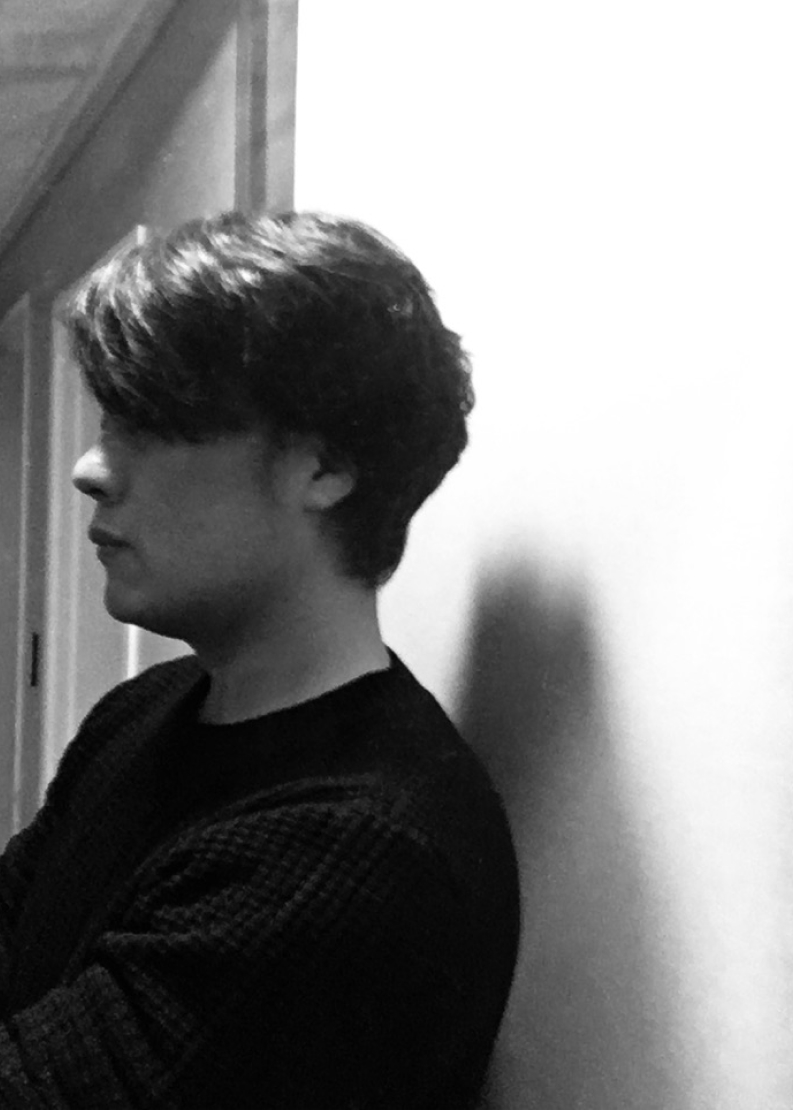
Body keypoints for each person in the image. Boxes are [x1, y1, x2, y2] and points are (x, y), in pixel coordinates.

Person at [0, 211, 520, 1108]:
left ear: (324, 466)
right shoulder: (150, 706)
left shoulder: (352, 852)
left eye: (146, 425)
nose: (89, 467)